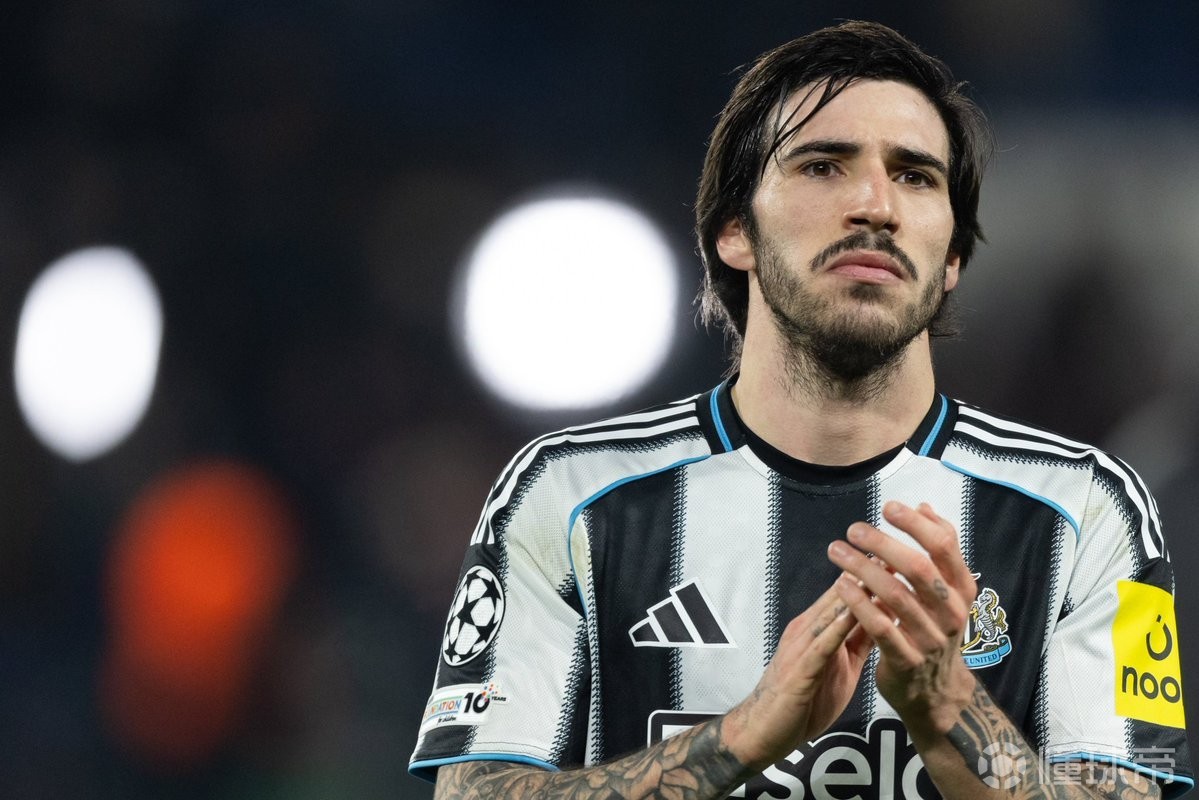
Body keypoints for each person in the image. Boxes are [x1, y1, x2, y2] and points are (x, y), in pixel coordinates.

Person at [409, 20, 1193, 800]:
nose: (875, 205)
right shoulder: (566, 494)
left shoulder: (1093, 511)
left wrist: (950, 711)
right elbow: (471, 793)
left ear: (953, 255)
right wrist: (747, 734)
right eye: (822, 166)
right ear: (733, 232)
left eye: (915, 176)